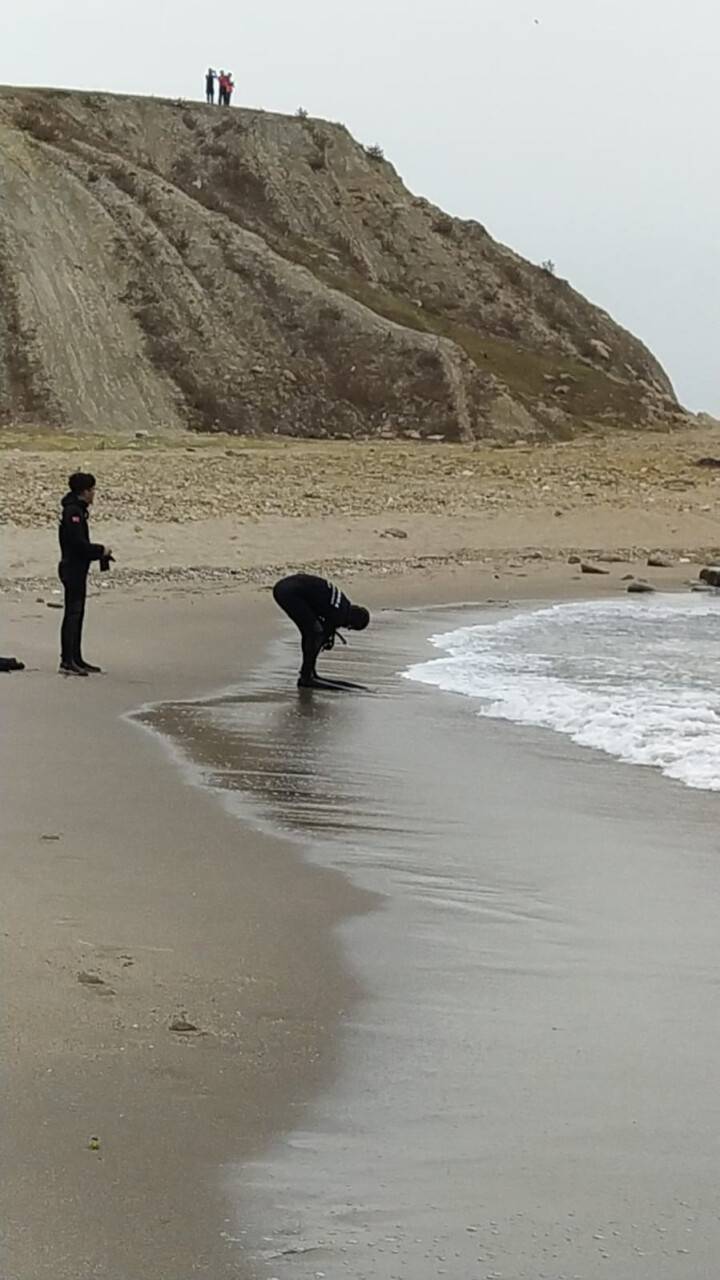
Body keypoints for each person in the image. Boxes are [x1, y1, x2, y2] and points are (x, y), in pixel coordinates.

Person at [58, 472, 113, 677]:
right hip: (71, 567)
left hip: (77, 567)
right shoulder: (73, 512)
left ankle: (76, 657)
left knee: (77, 613)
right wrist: (100, 551)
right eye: (92, 490)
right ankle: (67, 660)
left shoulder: (77, 510)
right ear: (84, 492)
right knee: (72, 614)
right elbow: (77, 545)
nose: (94, 495)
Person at [273, 573, 370, 688]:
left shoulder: (343, 603)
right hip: (289, 593)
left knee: (310, 630)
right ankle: (306, 677)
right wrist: (327, 638)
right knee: (315, 633)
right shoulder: (340, 616)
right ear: (352, 623)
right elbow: (322, 634)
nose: (347, 628)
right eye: (350, 628)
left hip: (286, 586)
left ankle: (309, 672)